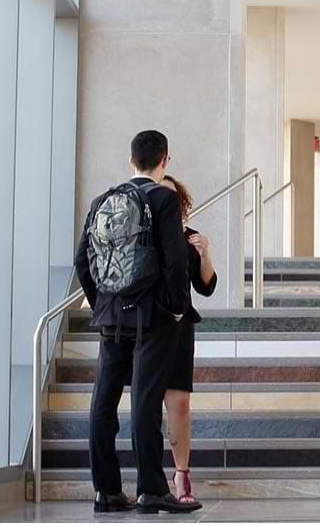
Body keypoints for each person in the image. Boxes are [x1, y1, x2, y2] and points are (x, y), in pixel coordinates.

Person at [73, 130, 202, 514]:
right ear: (165, 159)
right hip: (152, 317)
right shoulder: (163, 198)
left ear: (132, 161)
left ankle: (106, 490)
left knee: (103, 403)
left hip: (111, 316)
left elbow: (83, 260)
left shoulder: (103, 201)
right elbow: (175, 260)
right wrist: (177, 308)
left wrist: (102, 302)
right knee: (145, 400)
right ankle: (150, 489)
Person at [157, 175, 217, 506]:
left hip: (180, 326)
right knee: (149, 402)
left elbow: (206, 286)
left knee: (179, 403)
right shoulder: (141, 235)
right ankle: (151, 479)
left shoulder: (188, 238)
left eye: (170, 197)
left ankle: (181, 474)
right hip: (147, 327)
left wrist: (205, 256)